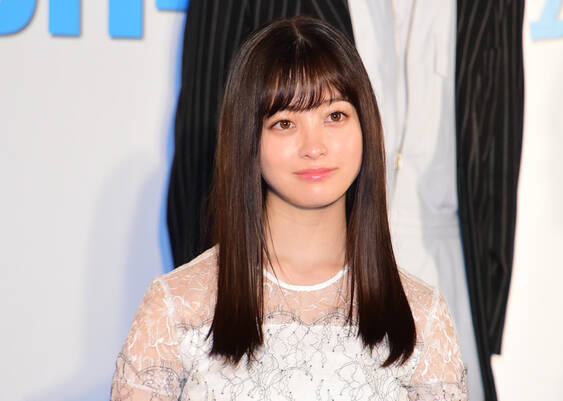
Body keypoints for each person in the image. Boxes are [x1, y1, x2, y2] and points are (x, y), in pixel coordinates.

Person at [110, 16, 467, 401]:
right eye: (284, 123)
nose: (314, 147)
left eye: (335, 116)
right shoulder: (176, 307)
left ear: (365, 126)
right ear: (248, 138)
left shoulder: (422, 316)